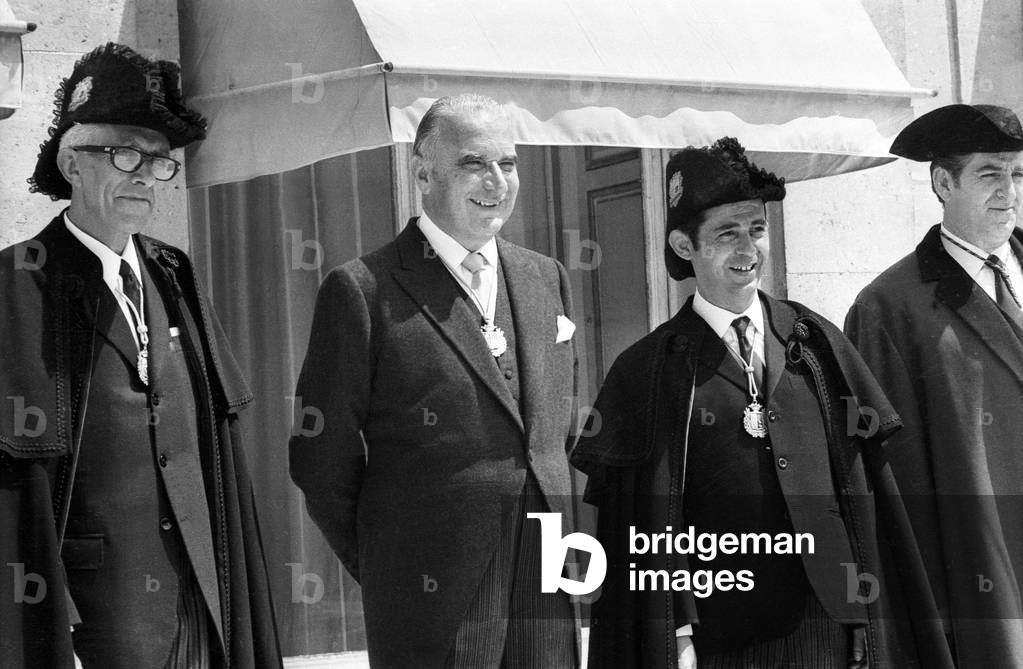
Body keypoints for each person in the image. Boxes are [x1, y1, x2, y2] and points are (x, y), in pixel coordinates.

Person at [570, 138, 953, 669]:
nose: (748, 250)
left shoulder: (815, 342)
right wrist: (676, 629)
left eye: (757, 229)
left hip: (825, 624)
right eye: (727, 234)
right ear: (685, 247)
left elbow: (863, 493)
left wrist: (866, 617)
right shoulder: (647, 370)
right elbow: (641, 524)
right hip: (716, 636)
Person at [0, 43, 282, 669]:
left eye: (158, 162)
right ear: (72, 163)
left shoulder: (172, 272)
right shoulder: (15, 285)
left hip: (204, 600)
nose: (144, 175)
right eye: (125, 153)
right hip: (95, 622)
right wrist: (46, 628)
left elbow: (214, 452)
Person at [289, 93, 579, 668]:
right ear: (423, 171)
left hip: (545, 585)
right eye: (474, 163)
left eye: (509, 164)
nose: (497, 181)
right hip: (428, 602)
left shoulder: (546, 277)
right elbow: (321, 459)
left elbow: (553, 431)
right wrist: (390, 566)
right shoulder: (363, 290)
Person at [845, 104, 1023, 667]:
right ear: (943, 183)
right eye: (990, 174)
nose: (1009, 191)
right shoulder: (888, 308)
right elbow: (893, 486)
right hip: (985, 580)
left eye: (1017, 174)